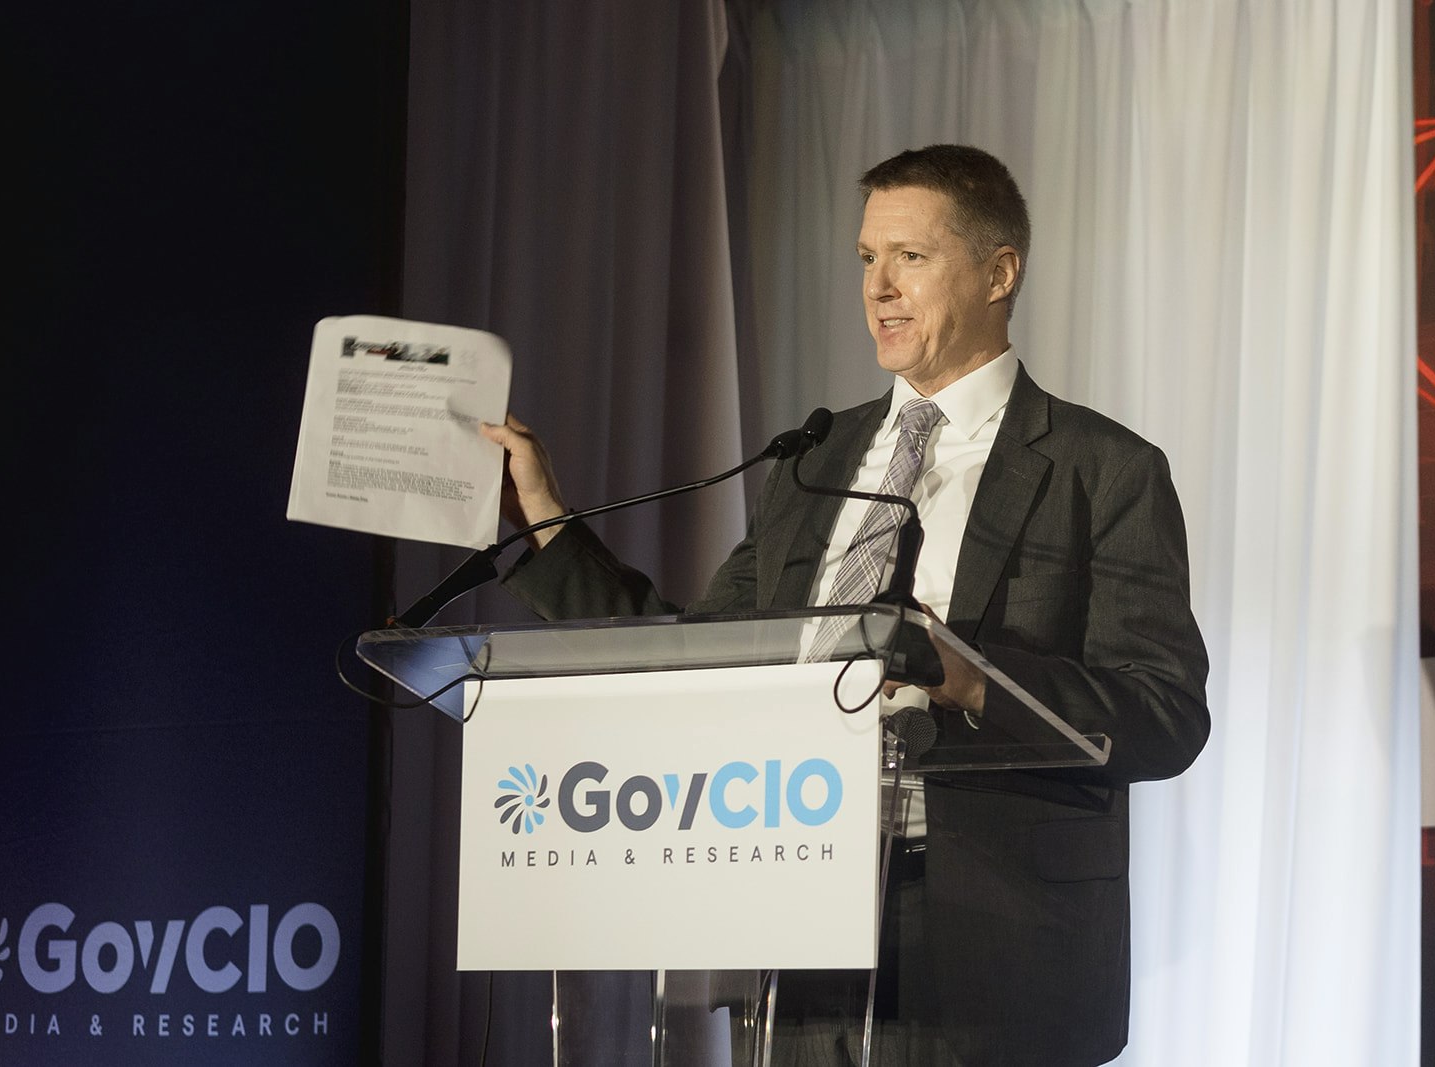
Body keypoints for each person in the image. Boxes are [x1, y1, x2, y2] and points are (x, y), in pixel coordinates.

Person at [480, 145, 1210, 1067]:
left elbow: (1164, 714)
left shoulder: (1102, 469)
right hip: (794, 907)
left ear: (999, 273)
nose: (878, 287)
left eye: (910, 256)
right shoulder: (814, 460)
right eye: (867, 258)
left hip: (992, 944)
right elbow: (698, 653)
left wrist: (974, 681)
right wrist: (548, 522)